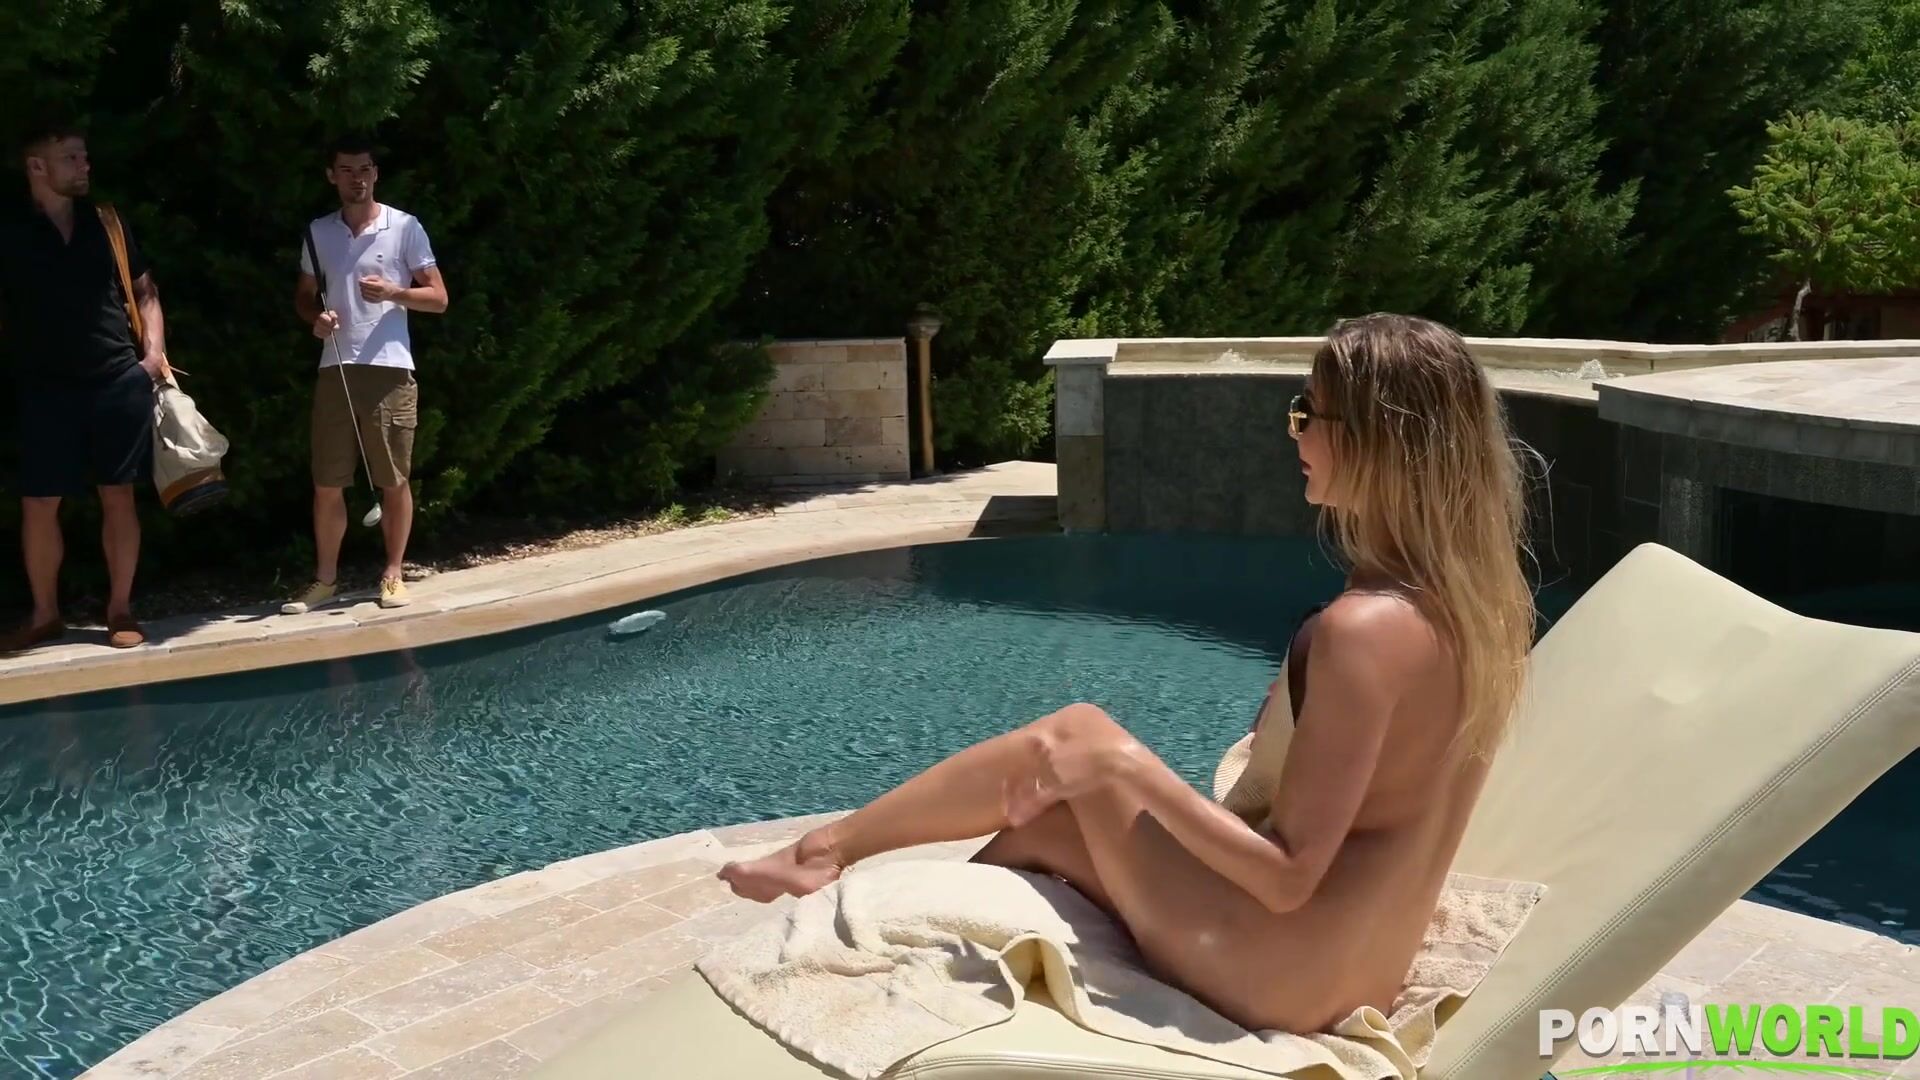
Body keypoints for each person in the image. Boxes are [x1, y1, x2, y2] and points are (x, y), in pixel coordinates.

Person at [718, 313, 1538, 1035]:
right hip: (1362, 967)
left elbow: (1289, 879)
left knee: (1078, 739)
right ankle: (923, 946)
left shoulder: (1365, 629)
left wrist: (1126, 767)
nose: (1295, 436)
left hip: (1284, 975)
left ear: (1374, 440)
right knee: (1050, 828)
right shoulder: (1484, 611)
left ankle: (827, 856)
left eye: (1306, 414)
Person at [0, 122, 173, 654]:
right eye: (71, 158)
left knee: (118, 495)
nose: (84, 165)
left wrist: (152, 358)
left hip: (117, 380)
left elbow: (145, 292)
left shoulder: (107, 223)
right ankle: (45, 615)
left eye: (84, 156)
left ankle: (120, 610)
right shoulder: (10, 230)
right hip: (43, 388)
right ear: (37, 167)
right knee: (39, 502)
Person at [283, 136, 446, 615]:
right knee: (327, 482)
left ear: (376, 173)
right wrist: (315, 318)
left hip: (390, 367)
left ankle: (393, 575)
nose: (357, 179)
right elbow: (304, 296)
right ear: (331, 176)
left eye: (365, 169)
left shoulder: (405, 227)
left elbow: (438, 298)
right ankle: (325, 581)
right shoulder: (318, 232)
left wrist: (395, 292)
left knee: (393, 479)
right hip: (335, 365)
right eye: (347, 170)